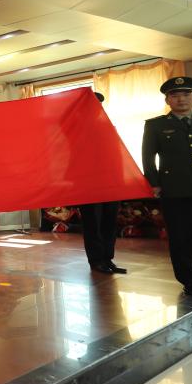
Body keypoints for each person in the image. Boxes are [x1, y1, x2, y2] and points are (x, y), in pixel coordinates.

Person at [141, 76, 192, 298]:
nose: (181, 99)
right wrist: (154, 183)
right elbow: (148, 157)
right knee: (180, 237)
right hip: (174, 189)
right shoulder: (156, 125)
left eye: (186, 94)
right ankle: (189, 280)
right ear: (167, 100)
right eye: (175, 95)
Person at [79, 92, 126, 275]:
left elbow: (117, 155)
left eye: (97, 105)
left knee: (109, 222)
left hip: (110, 181)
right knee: (93, 223)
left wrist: (120, 179)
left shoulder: (109, 127)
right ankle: (96, 260)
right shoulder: (73, 129)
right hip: (87, 183)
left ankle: (108, 258)